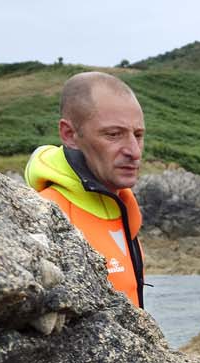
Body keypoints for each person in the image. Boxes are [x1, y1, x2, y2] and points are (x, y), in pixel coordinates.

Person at [24, 72, 146, 307]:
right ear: (69, 135)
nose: (134, 151)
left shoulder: (123, 208)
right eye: (113, 134)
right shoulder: (45, 216)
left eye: (138, 135)